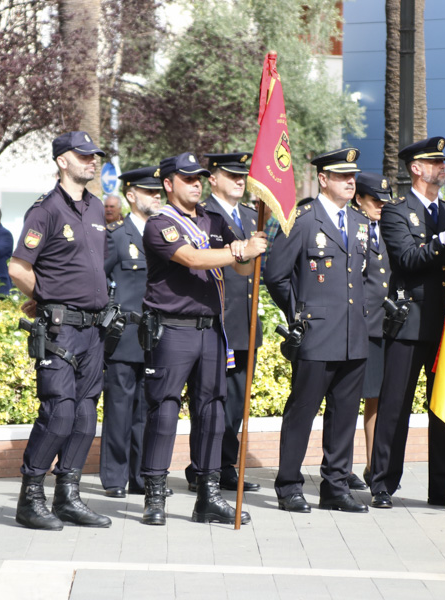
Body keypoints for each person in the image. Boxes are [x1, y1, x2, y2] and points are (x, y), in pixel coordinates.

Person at [137, 152, 266, 526]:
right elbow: (192, 258)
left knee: (213, 411)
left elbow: (240, 266)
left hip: (211, 329)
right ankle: (155, 495)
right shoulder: (160, 223)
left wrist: (252, 243)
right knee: (164, 410)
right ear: (168, 183)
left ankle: (208, 495)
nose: (196, 183)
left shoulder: (213, 220)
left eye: (200, 178)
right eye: (188, 178)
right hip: (173, 328)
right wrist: (237, 250)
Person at [9, 131, 112, 530]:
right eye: (83, 155)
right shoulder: (46, 210)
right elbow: (18, 267)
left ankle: (68, 495)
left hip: (92, 330)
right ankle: (30, 496)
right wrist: (47, 297)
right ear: (62, 161)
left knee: (86, 418)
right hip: (61, 329)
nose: (92, 160)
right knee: (59, 413)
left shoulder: (97, 208)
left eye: (95, 155)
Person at [370, 136, 445, 510]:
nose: (442, 167)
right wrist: (444, 240)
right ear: (416, 168)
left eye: (442, 162)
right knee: (395, 407)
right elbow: (407, 260)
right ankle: (382, 483)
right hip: (409, 322)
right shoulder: (397, 212)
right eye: (434, 163)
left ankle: (443, 486)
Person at [263, 148, 369, 514]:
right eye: (342, 176)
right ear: (323, 179)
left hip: (353, 335)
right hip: (315, 333)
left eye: (352, 176)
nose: (350, 182)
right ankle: (289, 485)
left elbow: (368, 277)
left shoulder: (359, 222)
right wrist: (300, 313)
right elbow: (275, 274)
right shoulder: (303, 220)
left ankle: (336, 487)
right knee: (302, 411)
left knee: (344, 415)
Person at [186, 152, 262, 494]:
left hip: (246, 323)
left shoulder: (250, 215)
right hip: (219, 321)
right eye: (231, 175)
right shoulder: (204, 216)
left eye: (242, 175)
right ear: (212, 179)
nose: (239, 181)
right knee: (211, 399)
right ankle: (206, 466)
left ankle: (223, 463)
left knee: (236, 402)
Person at [100, 165, 162, 498]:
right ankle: (114, 478)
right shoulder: (116, 235)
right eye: (149, 191)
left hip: (155, 336)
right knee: (120, 410)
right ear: (131, 196)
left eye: (158, 192)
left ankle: (141, 477)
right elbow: (98, 277)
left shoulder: (163, 233)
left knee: (146, 411)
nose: (156, 196)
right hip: (124, 336)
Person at [352, 172, 393, 491]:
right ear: (359, 200)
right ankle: (336, 465)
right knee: (346, 398)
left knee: (376, 398)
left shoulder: (389, 229)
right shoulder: (351, 227)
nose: (381, 206)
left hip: (384, 325)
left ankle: (371, 465)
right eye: (374, 200)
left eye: (384, 201)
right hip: (356, 324)